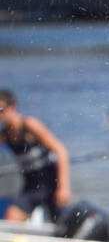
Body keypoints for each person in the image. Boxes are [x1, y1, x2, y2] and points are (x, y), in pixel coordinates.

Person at [0, 90, 71, 221]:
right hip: (32, 187)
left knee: (62, 227)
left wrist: (63, 187)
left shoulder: (29, 124)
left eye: (1, 110)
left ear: (12, 107)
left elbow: (61, 151)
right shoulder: (4, 135)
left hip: (51, 184)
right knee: (10, 219)